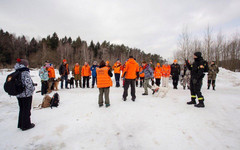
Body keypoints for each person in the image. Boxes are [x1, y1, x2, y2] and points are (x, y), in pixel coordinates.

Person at [15, 59, 35, 131]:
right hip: (26, 94)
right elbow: (28, 84)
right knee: (26, 109)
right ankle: (26, 125)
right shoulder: (25, 72)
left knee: (22, 109)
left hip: (19, 94)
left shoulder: (17, 71)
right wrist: (33, 89)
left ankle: (21, 124)